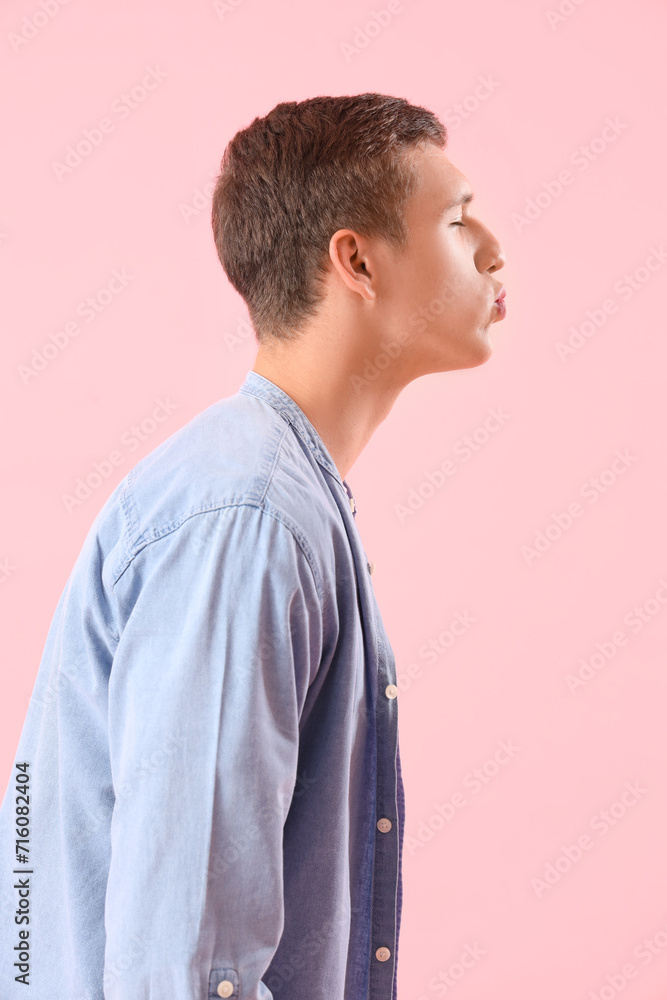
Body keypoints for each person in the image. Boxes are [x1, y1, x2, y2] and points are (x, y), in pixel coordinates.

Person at [0, 92, 506, 999]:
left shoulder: (275, 495)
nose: (493, 249)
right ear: (356, 261)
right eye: (458, 219)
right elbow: (184, 969)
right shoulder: (251, 518)